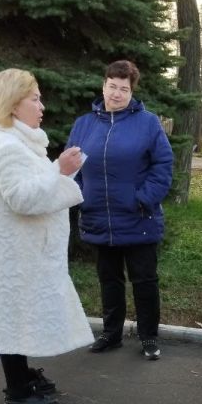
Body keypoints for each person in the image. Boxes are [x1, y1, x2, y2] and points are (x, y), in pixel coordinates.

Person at [0, 69, 93, 404]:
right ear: (13, 103)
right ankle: (17, 391)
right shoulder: (5, 145)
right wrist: (59, 171)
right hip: (13, 254)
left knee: (16, 313)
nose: (42, 106)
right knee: (11, 314)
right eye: (35, 99)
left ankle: (22, 376)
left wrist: (58, 170)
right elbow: (22, 198)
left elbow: (29, 184)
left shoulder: (12, 140)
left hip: (18, 251)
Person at [67, 60, 173, 360]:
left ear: (131, 92)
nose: (116, 93)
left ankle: (148, 337)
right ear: (103, 86)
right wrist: (80, 196)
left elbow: (163, 164)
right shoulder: (83, 124)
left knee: (144, 280)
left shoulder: (148, 123)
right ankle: (111, 334)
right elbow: (71, 165)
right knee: (109, 279)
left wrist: (143, 198)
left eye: (123, 89)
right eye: (112, 86)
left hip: (138, 217)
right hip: (98, 217)